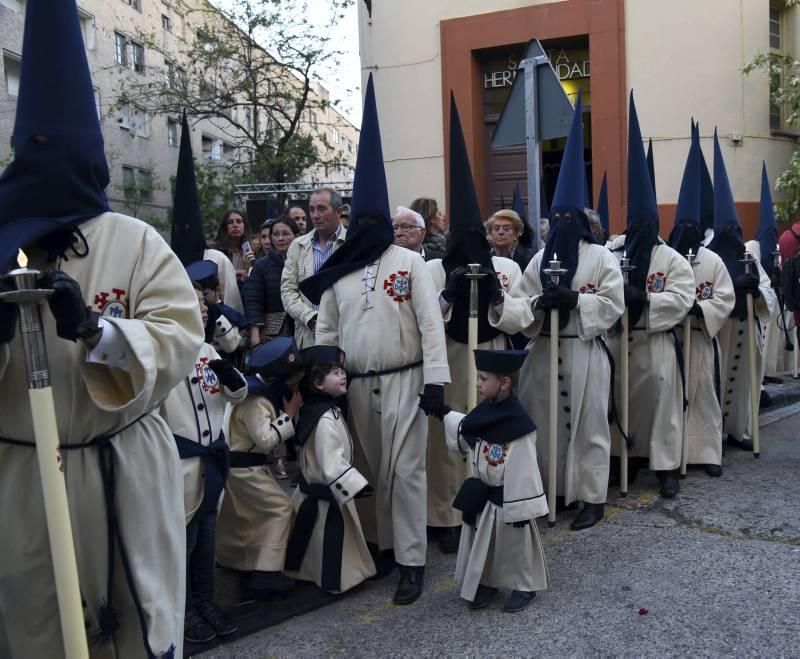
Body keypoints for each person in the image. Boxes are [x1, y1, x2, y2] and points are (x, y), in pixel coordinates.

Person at [0, 1, 204, 655]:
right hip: (25, 476)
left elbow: (178, 335)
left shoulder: (134, 240)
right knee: (39, 626)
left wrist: (95, 329)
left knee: (136, 624)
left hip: (123, 468)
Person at [301, 75, 450, 605]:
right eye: (359, 219)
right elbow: (327, 330)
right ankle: (384, 547)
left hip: (408, 382)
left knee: (407, 471)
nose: (367, 226)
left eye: (374, 219)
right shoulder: (340, 275)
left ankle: (412, 559)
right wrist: (322, 377)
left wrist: (436, 379)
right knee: (370, 469)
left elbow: (432, 325)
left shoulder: (411, 262)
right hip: (358, 385)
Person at [489, 91, 624, 530]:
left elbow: (613, 304)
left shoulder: (601, 257)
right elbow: (518, 304)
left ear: (582, 222)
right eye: (556, 219)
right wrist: (537, 303)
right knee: (545, 425)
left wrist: (577, 302)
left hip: (585, 350)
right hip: (545, 351)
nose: (562, 226)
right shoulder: (539, 259)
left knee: (588, 427)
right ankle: (553, 488)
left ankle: (590, 497)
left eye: (570, 219)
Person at [425, 94, 523, 555]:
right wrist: (449, 292)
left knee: (491, 431)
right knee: (449, 436)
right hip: (450, 358)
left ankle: (497, 497)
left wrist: (495, 299)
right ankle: (446, 514)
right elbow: (426, 317)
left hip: (489, 356)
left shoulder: (504, 269)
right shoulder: (432, 269)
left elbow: (524, 315)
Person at [606, 94, 694, 499]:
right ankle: (627, 458)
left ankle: (666, 468)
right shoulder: (614, 252)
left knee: (662, 407)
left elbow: (683, 297)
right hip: (622, 342)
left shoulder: (671, 257)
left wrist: (646, 302)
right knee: (623, 402)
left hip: (655, 341)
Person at [160, 281, 247, 644]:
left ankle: (205, 601)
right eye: (195, 303)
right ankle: (182, 612)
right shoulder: (164, 355)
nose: (205, 308)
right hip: (181, 466)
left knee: (207, 538)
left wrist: (230, 377)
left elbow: (237, 393)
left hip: (212, 463)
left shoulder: (207, 348)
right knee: (184, 541)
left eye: (204, 303)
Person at [442, 349, 549, 612]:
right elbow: (469, 434)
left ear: (504, 383)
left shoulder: (518, 425)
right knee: (486, 543)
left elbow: (525, 467)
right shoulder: (485, 412)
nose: (477, 383)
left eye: (483, 378)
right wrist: (442, 413)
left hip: (509, 497)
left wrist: (522, 506)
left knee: (515, 546)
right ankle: (487, 582)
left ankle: (525, 586)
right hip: (483, 493)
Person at [667, 123, 735, 477]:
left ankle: (706, 453)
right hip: (674, 339)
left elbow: (724, 296)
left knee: (705, 397)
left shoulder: (712, 261)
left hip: (701, 341)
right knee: (672, 401)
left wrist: (701, 308)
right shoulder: (666, 258)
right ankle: (672, 455)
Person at [283, 345, 376, 593]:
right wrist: (357, 485)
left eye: (341, 370)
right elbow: (330, 463)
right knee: (330, 542)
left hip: (316, 495)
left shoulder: (318, 411)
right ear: (318, 382)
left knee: (313, 541)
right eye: (335, 372)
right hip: (325, 495)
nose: (342, 375)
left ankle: (311, 573)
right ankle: (337, 582)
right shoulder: (324, 419)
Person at [215, 337, 303, 596]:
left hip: (236, 468)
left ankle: (238, 560)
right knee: (279, 510)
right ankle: (267, 571)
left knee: (242, 518)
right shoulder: (255, 401)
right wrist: (288, 415)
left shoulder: (249, 395)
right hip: (246, 470)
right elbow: (264, 440)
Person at [706, 131, 776, 452]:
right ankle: (713, 435)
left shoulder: (748, 256)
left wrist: (757, 293)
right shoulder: (707, 256)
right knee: (717, 382)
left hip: (747, 332)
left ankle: (740, 430)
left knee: (744, 381)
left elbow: (768, 292)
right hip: (721, 332)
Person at [170, 112, 243, 313]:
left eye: (187, 227)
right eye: (178, 228)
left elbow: (233, 303)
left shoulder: (216, 259)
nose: (183, 232)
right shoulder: (167, 260)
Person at [281, 188, 347, 348]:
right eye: (312, 209)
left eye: (322, 209)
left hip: (344, 334)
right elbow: (288, 291)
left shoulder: (351, 243)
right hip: (308, 336)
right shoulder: (298, 246)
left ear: (338, 212)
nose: (315, 215)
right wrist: (310, 318)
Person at [245, 215, 302, 347]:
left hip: (303, 327)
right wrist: (255, 336)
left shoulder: (306, 261)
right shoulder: (261, 266)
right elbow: (253, 301)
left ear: (296, 236)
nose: (280, 238)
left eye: (286, 234)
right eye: (276, 234)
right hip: (273, 332)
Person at [213, 208, 256, 285]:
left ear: (244, 226)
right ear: (225, 227)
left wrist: (248, 266)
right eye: (230, 222)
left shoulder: (254, 249)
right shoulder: (216, 251)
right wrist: (235, 273)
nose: (235, 225)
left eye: (239, 221)